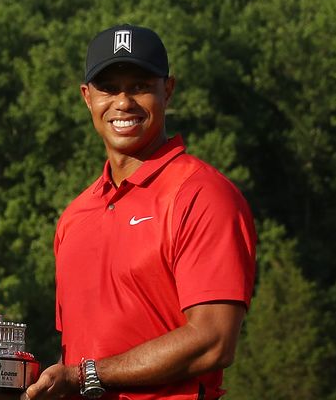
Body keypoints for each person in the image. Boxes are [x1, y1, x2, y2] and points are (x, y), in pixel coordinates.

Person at [23, 25, 257, 400]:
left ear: (168, 89)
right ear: (87, 97)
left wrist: (86, 376)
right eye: (109, 88)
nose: (123, 102)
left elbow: (214, 340)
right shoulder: (74, 216)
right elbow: (78, 349)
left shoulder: (202, 194)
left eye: (139, 86)